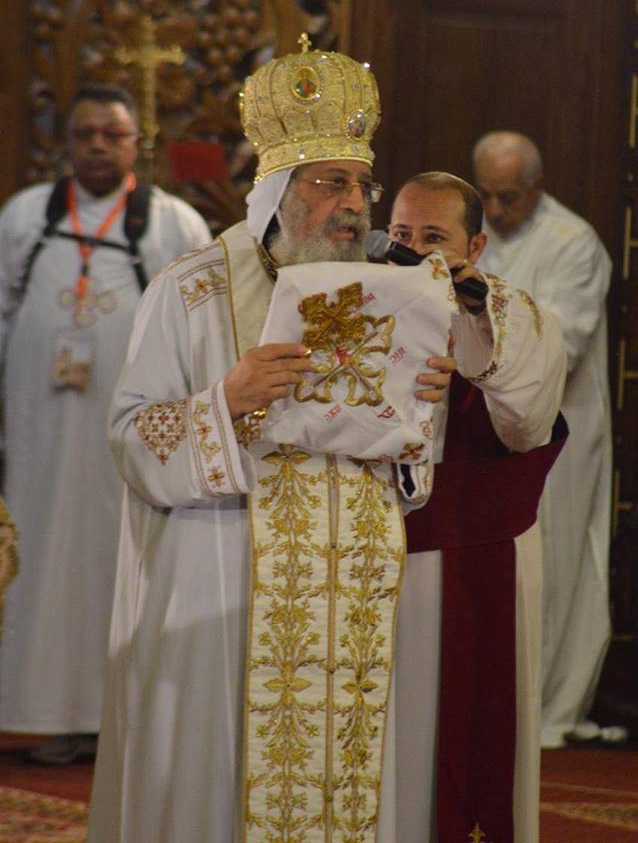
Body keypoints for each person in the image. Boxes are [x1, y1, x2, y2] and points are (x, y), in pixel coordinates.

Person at [88, 44, 566, 843]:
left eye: (362, 185)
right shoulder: (193, 291)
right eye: (331, 183)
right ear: (278, 189)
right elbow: (132, 439)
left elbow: (432, 435)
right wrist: (225, 402)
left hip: (359, 597)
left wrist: (425, 405)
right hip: (228, 589)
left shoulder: (392, 290)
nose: (355, 204)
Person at [0, 83, 212, 764]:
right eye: (84, 133)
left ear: (135, 144)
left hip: (126, 447)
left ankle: (112, 718)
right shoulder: (25, 215)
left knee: (115, 560)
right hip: (36, 437)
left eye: (111, 134)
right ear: (66, 142)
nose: (97, 145)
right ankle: (35, 710)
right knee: (36, 558)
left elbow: (202, 332)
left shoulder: (175, 223)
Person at [387, 172, 567, 842]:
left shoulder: (513, 316)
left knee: (464, 727)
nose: (412, 250)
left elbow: (526, 425)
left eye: (433, 237)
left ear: (475, 245)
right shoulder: (360, 308)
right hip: (377, 556)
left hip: (473, 557)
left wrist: (471, 316)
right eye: (401, 234)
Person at [473, 130, 613, 749]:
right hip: (481, 433)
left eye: (509, 197)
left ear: (537, 187)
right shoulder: (472, 234)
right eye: (486, 195)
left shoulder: (572, 242)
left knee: (550, 564)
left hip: (557, 434)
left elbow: (561, 342)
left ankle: (546, 705)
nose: (496, 210)